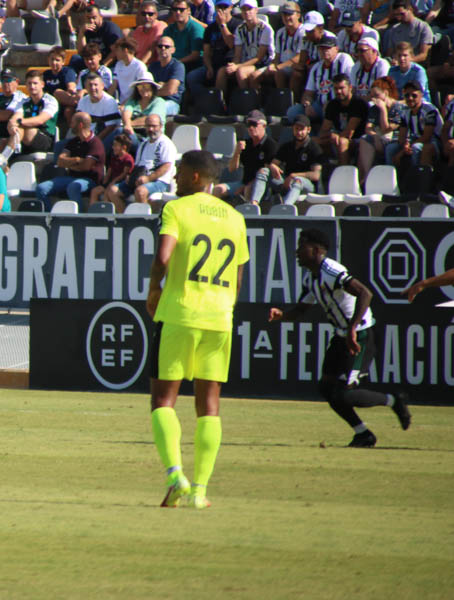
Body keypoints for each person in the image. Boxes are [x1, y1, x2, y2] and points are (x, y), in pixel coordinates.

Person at [146, 149, 249, 509]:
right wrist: (225, 308)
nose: (174, 177)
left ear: (194, 177)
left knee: (163, 400)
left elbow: (162, 257)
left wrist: (154, 289)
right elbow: (238, 274)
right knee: (209, 405)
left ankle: (176, 475)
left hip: (180, 313)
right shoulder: (236, 218)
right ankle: (201, 490)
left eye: (179, 171)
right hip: (219, 317)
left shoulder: (176, 209)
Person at [268, 228, 410, 448]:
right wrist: (283, 315)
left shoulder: (331, 270)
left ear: (315, 250)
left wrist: (353, 328)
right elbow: (302, 308)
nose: (297, 251)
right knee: (326, 388)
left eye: (301, 246)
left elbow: (365, 293)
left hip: (361, 334)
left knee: (344, 393)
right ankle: (363, 433)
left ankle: (393, 400)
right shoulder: (311, 277)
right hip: (342, 335)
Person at [0, 68, 55, 170]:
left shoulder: (49, 100)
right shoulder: (24, 101)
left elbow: (40, 120)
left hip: (44, 139)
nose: (32, 86)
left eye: (35, 83)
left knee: (21, 127)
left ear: (42, 84)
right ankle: (5, 173)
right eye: (29, 83)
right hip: (22, 138)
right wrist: (12, 125)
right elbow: (15, 118)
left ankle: (4, 157)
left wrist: (19, 122)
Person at [103, 114, 176, 209]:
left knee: (140, 191)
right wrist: (131, 177)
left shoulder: (166, 144)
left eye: (154, 126)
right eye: (148, 126)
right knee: (113, 191)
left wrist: (148, 179)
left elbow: (166, 166)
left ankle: (144, 221)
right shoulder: (143, 144)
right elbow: (137, 165)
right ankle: (126, 220)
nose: (151, 129)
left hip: (159, 182)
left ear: (161, 126)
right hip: (139, 178)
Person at [34, 112, 104, 210]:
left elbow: (86, 167)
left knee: (73, 186)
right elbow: (60, 161)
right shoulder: (73, 142)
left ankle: (78, 218)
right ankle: (49, 218)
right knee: (41, 188)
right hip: (71, 177)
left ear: (80, 125)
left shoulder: (95, 143)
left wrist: (69, 164)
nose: (70, 125)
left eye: (72, 123)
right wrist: (77, 160)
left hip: (90, 180)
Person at [249, 114, 323, 205]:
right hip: (287, 182)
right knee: (263, 171)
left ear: (308, 130)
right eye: (296, 129)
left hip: (306, 185)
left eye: (302, 129)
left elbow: (316, 175)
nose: (299, 132)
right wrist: (272, 166)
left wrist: (294, 175)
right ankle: (254, 203)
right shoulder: (287, 146)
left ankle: (286, 206)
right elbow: (274, 163)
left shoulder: (314, 148)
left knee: (298, 180)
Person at [287, 34, 354, 124]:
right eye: (321, 48)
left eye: (327, 48)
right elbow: (308, 93)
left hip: (340, 103)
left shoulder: (344, 60)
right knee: (293, 111)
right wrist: (307, 105)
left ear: (336, 49)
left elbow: (351, 87)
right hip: (319, 104)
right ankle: (309, 135)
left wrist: (333, 102)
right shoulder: (316, 67)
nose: (324, 51)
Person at [214, 109, 278, 202]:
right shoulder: (246, 144)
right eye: (248, 125)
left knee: (249, 188)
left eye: (254, 124)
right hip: (244, 183)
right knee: (217, 189)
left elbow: (270, 173)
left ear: (264, 126)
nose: (251, 128)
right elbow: (232, 169)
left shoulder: (271, 145)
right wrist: (237, 152)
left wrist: (246, 186)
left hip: (262, 186)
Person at [218, 0, 274, 97]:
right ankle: (220, 105)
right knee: (222, 71)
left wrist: (238, 66)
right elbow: (237, 54)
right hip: (245, 62)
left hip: (263, 64)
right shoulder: (240, 29)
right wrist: (233, 65)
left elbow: (259, 58)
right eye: (243, 9)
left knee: (241, 71)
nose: (246, 12)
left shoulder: (265, 28)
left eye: (250, 9)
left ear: (256, 10)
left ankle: (248, 101)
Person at [387, 80, 441, 167]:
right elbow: (402, 136)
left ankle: (415, 176)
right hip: (414, 139)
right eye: (407, 95)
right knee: (391, 148)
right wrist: (405, 145)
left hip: (433, 141)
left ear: (421, 95)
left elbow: (427, 136)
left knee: (416, 148)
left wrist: (404, 151)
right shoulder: (405, 111)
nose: (410, 98)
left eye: (414, 95)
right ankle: (391, 176)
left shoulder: (429, 110)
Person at [318, 74, 367, 166]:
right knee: (314, 141)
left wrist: (336, 136)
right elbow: (324, 130)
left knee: (342, 142)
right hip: (338, 137)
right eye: (336, 89)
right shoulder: (332, 104)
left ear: (350, 88)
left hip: (357, 140)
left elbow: (349, 133)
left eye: (342, 88)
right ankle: (325, 168)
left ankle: (343, 172)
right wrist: (330, 135)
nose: (339, 91)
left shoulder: (358, 103)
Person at [88, 133, 135, 206]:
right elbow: (110, 170)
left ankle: (105, 214)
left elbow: (124, 174)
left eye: (116, 145)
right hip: (110, 182)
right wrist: (104, 182)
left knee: (107, 193)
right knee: (95, 191)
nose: (113, 147)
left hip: (119, 183)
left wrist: (113, 182)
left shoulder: (128, 159)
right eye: (113, 145)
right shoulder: (114, 157)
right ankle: (93, 214)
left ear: (124, 147)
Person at [163, 0, 205, 72]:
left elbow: (195, 55)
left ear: (188, 11)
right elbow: (162, 48)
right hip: (171, 64)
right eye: (175, 9)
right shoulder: (169, 29)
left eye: (181, 10)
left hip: (191, 66)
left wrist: (175, 63)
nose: (178, 12)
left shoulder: (195, 28)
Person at [148, 36, 185, 116]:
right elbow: (146, 88)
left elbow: (170, 91)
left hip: (171, 103)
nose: (163, 48)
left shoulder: (177, 66)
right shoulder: (152, 66)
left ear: (173, 50)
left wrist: (153, 92)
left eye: (167, 46)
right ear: (157, 49)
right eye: (160, 46)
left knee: (154, 112)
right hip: (153, 100)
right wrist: (164, 87)